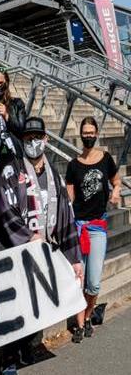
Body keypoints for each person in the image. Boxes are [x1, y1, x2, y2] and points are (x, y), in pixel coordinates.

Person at [0, 116, 83, 375]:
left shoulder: (54, 175)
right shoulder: (12, 171)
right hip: (17, 250)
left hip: (44, 252)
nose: (33, 143)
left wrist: (74, 258)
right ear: (22, 141)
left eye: (37, 138)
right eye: (28, 138)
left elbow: (65, 217)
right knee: (14, 306)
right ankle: (8, 357)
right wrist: (28, 237)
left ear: (46, 140)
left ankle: (26, 346)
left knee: (36, 303)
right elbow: (6, 210)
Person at [64, 116, 119, 342]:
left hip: (97, 227)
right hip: (79, 227)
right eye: (84, 133)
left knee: (93, 281)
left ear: (96, 133)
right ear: (81, 134)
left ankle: (87, 316)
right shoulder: (73, 165)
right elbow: (69, 196)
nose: (88, 136)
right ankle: (79, 325)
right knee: (79, 279)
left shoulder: (105, 159)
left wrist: (115, 192)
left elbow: (116, 180)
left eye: (91, 132)